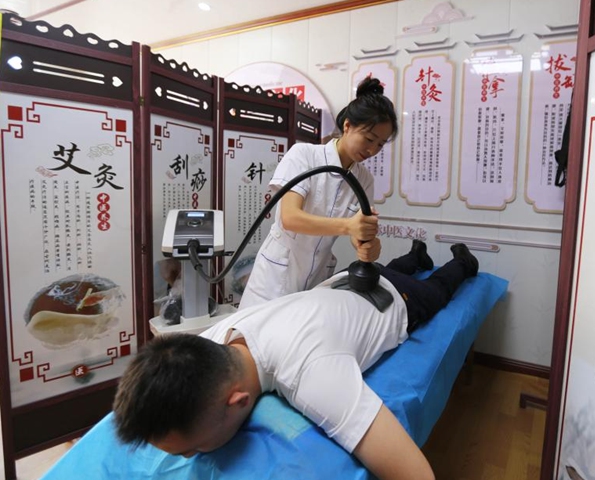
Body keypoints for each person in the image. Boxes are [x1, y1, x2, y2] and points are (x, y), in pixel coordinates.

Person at [112, 241, 479, 480]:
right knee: (389, 267)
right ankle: (416, 256)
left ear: (238, 401)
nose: (188, 458)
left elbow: (417, 474)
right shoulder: (210, 340)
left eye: (191, 451)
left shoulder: (311, 372)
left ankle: (462, 262)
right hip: (347, 281)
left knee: (437, 290)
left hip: (397, 299)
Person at [238, 76, 398, 309]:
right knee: (255, 329)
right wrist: (348, 226)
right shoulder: (304, 156)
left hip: (317, 276)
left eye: (380, 144)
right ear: (347, 126)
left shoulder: (364, 179)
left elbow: (356, 230)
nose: (372, 150)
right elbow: (290, 218)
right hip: (276, 275)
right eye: (369, 139)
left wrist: (366, 245)